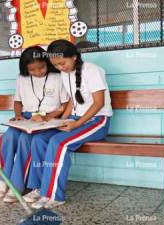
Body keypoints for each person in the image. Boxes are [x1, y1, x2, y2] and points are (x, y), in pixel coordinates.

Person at [28, 39, 113, 209]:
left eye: (62, 63)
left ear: (74, 56)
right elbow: (71, 102)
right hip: (75, 119)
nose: (60, 68)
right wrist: (59, 120)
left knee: (59, 143)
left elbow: (98, 103)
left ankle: (53, 195)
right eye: (56, 65)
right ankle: (39, 188)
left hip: (97, 121)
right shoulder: (65, 73)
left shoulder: (92, 71)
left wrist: (76, 124)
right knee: (39, 139)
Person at [0, 46, 69, 203]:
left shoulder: (58, 76)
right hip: (27, 119)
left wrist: (47, 116)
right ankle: (4, 178)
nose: (38, 72)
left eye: (41, 67)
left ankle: (17, 185)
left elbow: (64, 105)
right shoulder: (22, 78)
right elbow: (17, 101)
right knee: (8, 137)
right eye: (32, 70)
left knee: (24, 140)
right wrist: (18, 116)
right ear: (25, 69)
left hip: (48, 120)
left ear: (47, 63)